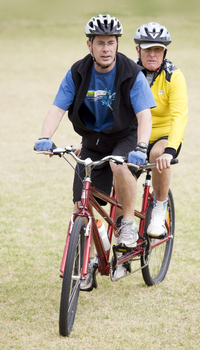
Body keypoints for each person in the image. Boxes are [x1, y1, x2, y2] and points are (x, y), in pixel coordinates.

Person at [34, 14, 156, 289]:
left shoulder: (129, 72)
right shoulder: (78, 72)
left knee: (119, 166)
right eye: (100, 43)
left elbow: (144, 116)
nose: (106, 49)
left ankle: (126, 224)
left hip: (126, 135)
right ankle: (86, 265)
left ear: (117, 44)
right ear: (89, 45)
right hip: (93, 140)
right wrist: (45, 136)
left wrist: (141, 147)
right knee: (82, 205)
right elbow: (57, 107)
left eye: (111, 43)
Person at [133, 22, 188, 237]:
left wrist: (170, 151)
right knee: (119, 180)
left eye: (158, 49)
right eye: (147, 49)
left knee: (158, 155)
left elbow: (179, 116)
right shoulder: (129, 73)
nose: (152, 54)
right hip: (135, 136)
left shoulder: (174, 76)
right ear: (138, 50)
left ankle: (159, 207)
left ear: (165, 51)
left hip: (162, 137)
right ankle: (123, 231)